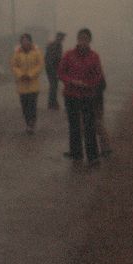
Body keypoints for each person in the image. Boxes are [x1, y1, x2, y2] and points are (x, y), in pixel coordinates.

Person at [57, 27, 104, 166]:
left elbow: (98, 75)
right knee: (74, 125)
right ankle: (77, 154)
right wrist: (71, 81)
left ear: (89, 40)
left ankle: (92, 156)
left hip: (87, 95)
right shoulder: (69, 55)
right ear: (77, 39)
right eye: (80, 38)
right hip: (71, 94)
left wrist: (88, 84)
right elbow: (60, 72)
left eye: (85, 39)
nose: (83, 41)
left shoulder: (94, 56)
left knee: (89, 125)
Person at [9, 32, 45, 134]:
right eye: (23, 41)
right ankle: (27, 123)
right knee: (25, 106)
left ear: (30, 41)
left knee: (32, 105)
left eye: (26, 40)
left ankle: (31, 124)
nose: (25, 43)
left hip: (33, 85)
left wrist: (30, 74)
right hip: (22, 85)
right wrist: (21, 75)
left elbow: (40, 65)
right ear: (20, 42)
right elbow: (14, 65)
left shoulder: (36, 52)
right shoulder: (17, 53)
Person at [43, 31, 66, 110]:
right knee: (53, 86)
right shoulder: (55, 45)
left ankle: (53, 102)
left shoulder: (57, 45)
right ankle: (52, 103)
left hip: (53, 68)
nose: (63, 39)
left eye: (63, 37)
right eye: (62, 37)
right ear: (58, 37)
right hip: (52, 68)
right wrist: (54, 70)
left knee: (54, 86)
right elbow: (51, 58)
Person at [91, 75, 112, 156]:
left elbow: (102, 85)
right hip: (97, 102)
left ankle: (106, 147)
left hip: (94, 103)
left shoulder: (96, 72)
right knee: (98, 125)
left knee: (98, 125)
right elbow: (103, 85)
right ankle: (105, 147)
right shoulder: (98, 71)